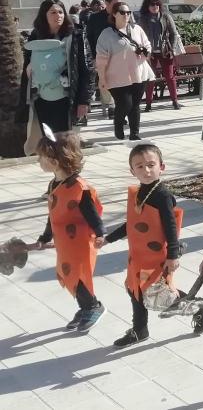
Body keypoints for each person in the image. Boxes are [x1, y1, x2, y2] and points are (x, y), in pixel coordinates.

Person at [102, 144, 203, 347]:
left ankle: (198, 307)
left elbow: (171, 227)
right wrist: (108, 239)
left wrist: (173, 255)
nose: (146, 170)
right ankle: (140, 330)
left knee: (158, 293)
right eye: (140, 166)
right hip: (138, 255)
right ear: (132, 171)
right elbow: (132, 223)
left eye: (151, 165)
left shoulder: (162, 195)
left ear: (162, 167)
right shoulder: (139, 192)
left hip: (156, 255)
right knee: (136, 289)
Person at [33, 131, 106, 331]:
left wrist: (101, 234)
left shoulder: (79, 188)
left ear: (55, 161)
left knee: (78, 276)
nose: (38, 161)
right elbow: (53, 214)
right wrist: (45, 237)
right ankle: (85, 307)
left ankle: (93, 307)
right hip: (64, 242)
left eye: (41, 157)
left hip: (80, 242)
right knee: (67, 275)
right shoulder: (54, 184)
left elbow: (92, 214)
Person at [17, 0, 91, 154]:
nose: (58, 15)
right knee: (49, 140)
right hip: (42, 99)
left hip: (67, 99)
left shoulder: (75, 35)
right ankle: (55, 167)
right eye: (53, 12)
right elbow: (28, 67)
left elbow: (86, 69)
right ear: (44, 15)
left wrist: (84, 100)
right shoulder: (35, 36)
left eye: (61, 12)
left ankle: (69, 166)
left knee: (67, 141)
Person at [95, 2, 154, 141]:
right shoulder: (106, 34)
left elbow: (147, 45)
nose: (126, 15)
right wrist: (101, 78)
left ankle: (134, 133)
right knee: (125, 104)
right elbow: (101, 59)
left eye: (128, 12)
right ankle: (118, 124)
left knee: (135, 105)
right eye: (122, 12)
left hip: (139, 73)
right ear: (114, 14)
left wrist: (145, 51)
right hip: (116, 77)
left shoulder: (136, 29)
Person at [138, 0, 182, 111]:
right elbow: (139, 37)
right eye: (152, 4)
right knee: (150, 78)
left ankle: (175, 101)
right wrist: (146, 52)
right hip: (150, 53)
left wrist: (171, 49)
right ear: (147, 6)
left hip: (165, 51)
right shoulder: (143, 19)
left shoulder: (166, 17)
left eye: (157, 4)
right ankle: (148, 103)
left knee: (170, 77)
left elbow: (174, 34)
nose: (155, 6)